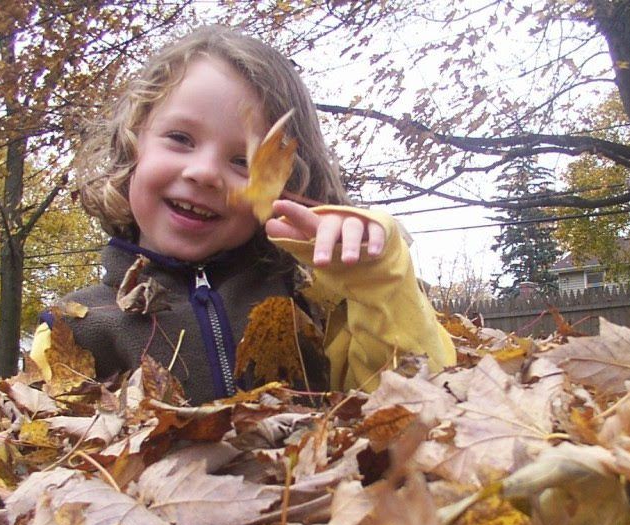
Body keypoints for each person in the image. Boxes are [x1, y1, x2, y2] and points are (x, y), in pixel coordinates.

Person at [31, 26, 454, 405]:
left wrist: (376, 279)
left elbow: (417, 405)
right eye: (180, 138)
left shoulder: (314, 302)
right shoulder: (77, 328)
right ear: (132, 144)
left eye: (243, 162)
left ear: (287, 188)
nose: (205, 173)